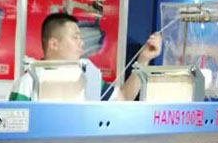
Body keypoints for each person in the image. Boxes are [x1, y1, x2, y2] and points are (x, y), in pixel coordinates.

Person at [9, 12, 162, 101]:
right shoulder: (28, 83)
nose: (81, 43)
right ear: (54, 44)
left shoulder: (87, 78)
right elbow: (13, 130)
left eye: (81, 38)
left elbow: (124, 98)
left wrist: (143, 59)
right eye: (75, 37)